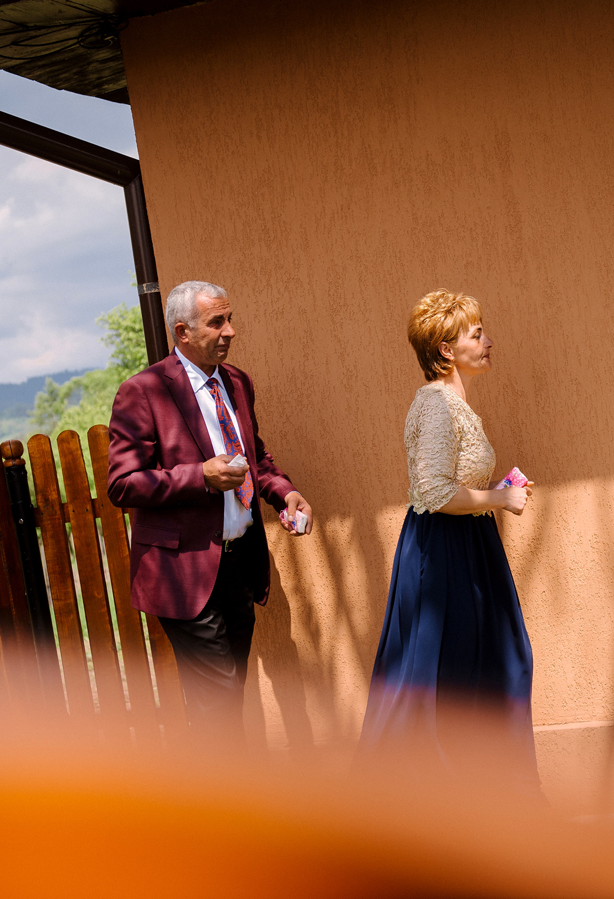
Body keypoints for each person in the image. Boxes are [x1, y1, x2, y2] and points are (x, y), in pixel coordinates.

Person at [107, 280, 313, 737]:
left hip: (240, 565)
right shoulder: (143, 392)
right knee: (217, 702)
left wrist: (284, 493)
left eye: (229, 319)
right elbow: (122, 484)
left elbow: (255, 458)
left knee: (227, 696)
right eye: (217, 322)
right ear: (182, 332)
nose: (230, 331)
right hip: (182, 574)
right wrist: (198, 476)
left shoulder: (238, 382)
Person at [358, 289, 542, 790]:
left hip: (469, 545)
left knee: (493, 665)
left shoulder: (451, 404)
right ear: (445, 349)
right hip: (445, 554)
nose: (488, 342)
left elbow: (448, 482)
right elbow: (435, 492)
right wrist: (501, 499)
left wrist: (494, 489)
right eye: (476, 335)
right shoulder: (438, 405)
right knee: (454, 677)